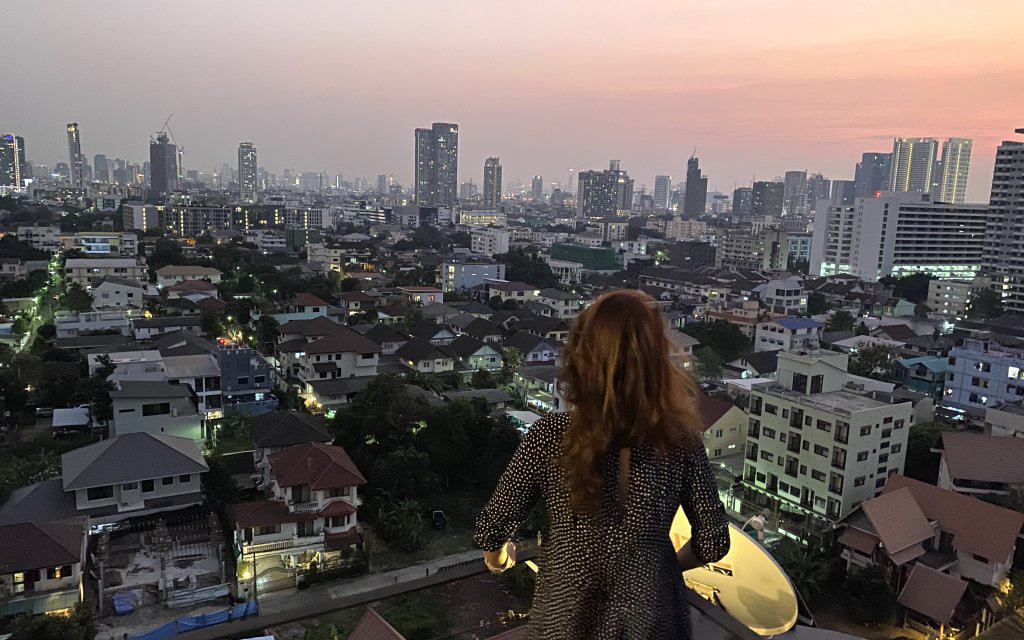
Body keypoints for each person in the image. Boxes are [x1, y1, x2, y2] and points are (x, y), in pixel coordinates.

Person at [475, 289, 730, 639]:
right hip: (654, 624)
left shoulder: (551, 435)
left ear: (583, 355)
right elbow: (714, 542)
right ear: (657, 360)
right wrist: (658, 568)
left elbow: (493, 526)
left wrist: (499, 560)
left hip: (564, 621)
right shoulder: (680, 441)